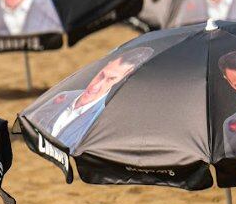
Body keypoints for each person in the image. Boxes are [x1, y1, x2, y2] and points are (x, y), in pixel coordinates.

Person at [24, 47, 155, 148]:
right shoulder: (62, 97)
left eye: (110, 80)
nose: (96, 85)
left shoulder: (105, 120)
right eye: (101, 75)